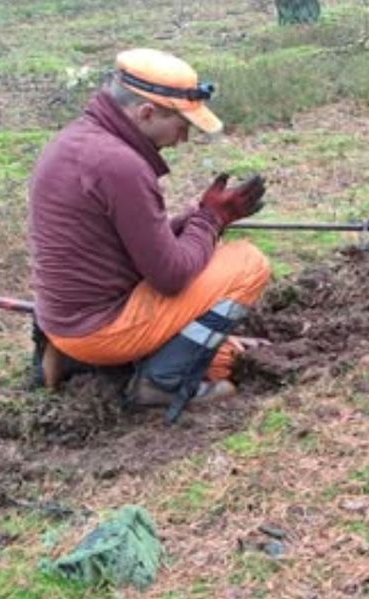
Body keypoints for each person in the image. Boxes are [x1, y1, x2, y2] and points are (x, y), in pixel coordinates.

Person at [28, 48, 270, 419]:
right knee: (247, 263)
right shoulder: (121, 166)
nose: (183, 139)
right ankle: (163, 383)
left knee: (205, 269)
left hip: (61, 321)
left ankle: (72, 359)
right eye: (182, 125)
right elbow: (171, 276)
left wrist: (196, 219)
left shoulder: (72, 143)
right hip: (101, 328)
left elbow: (123, 243)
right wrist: (210, 221)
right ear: (146, 113)